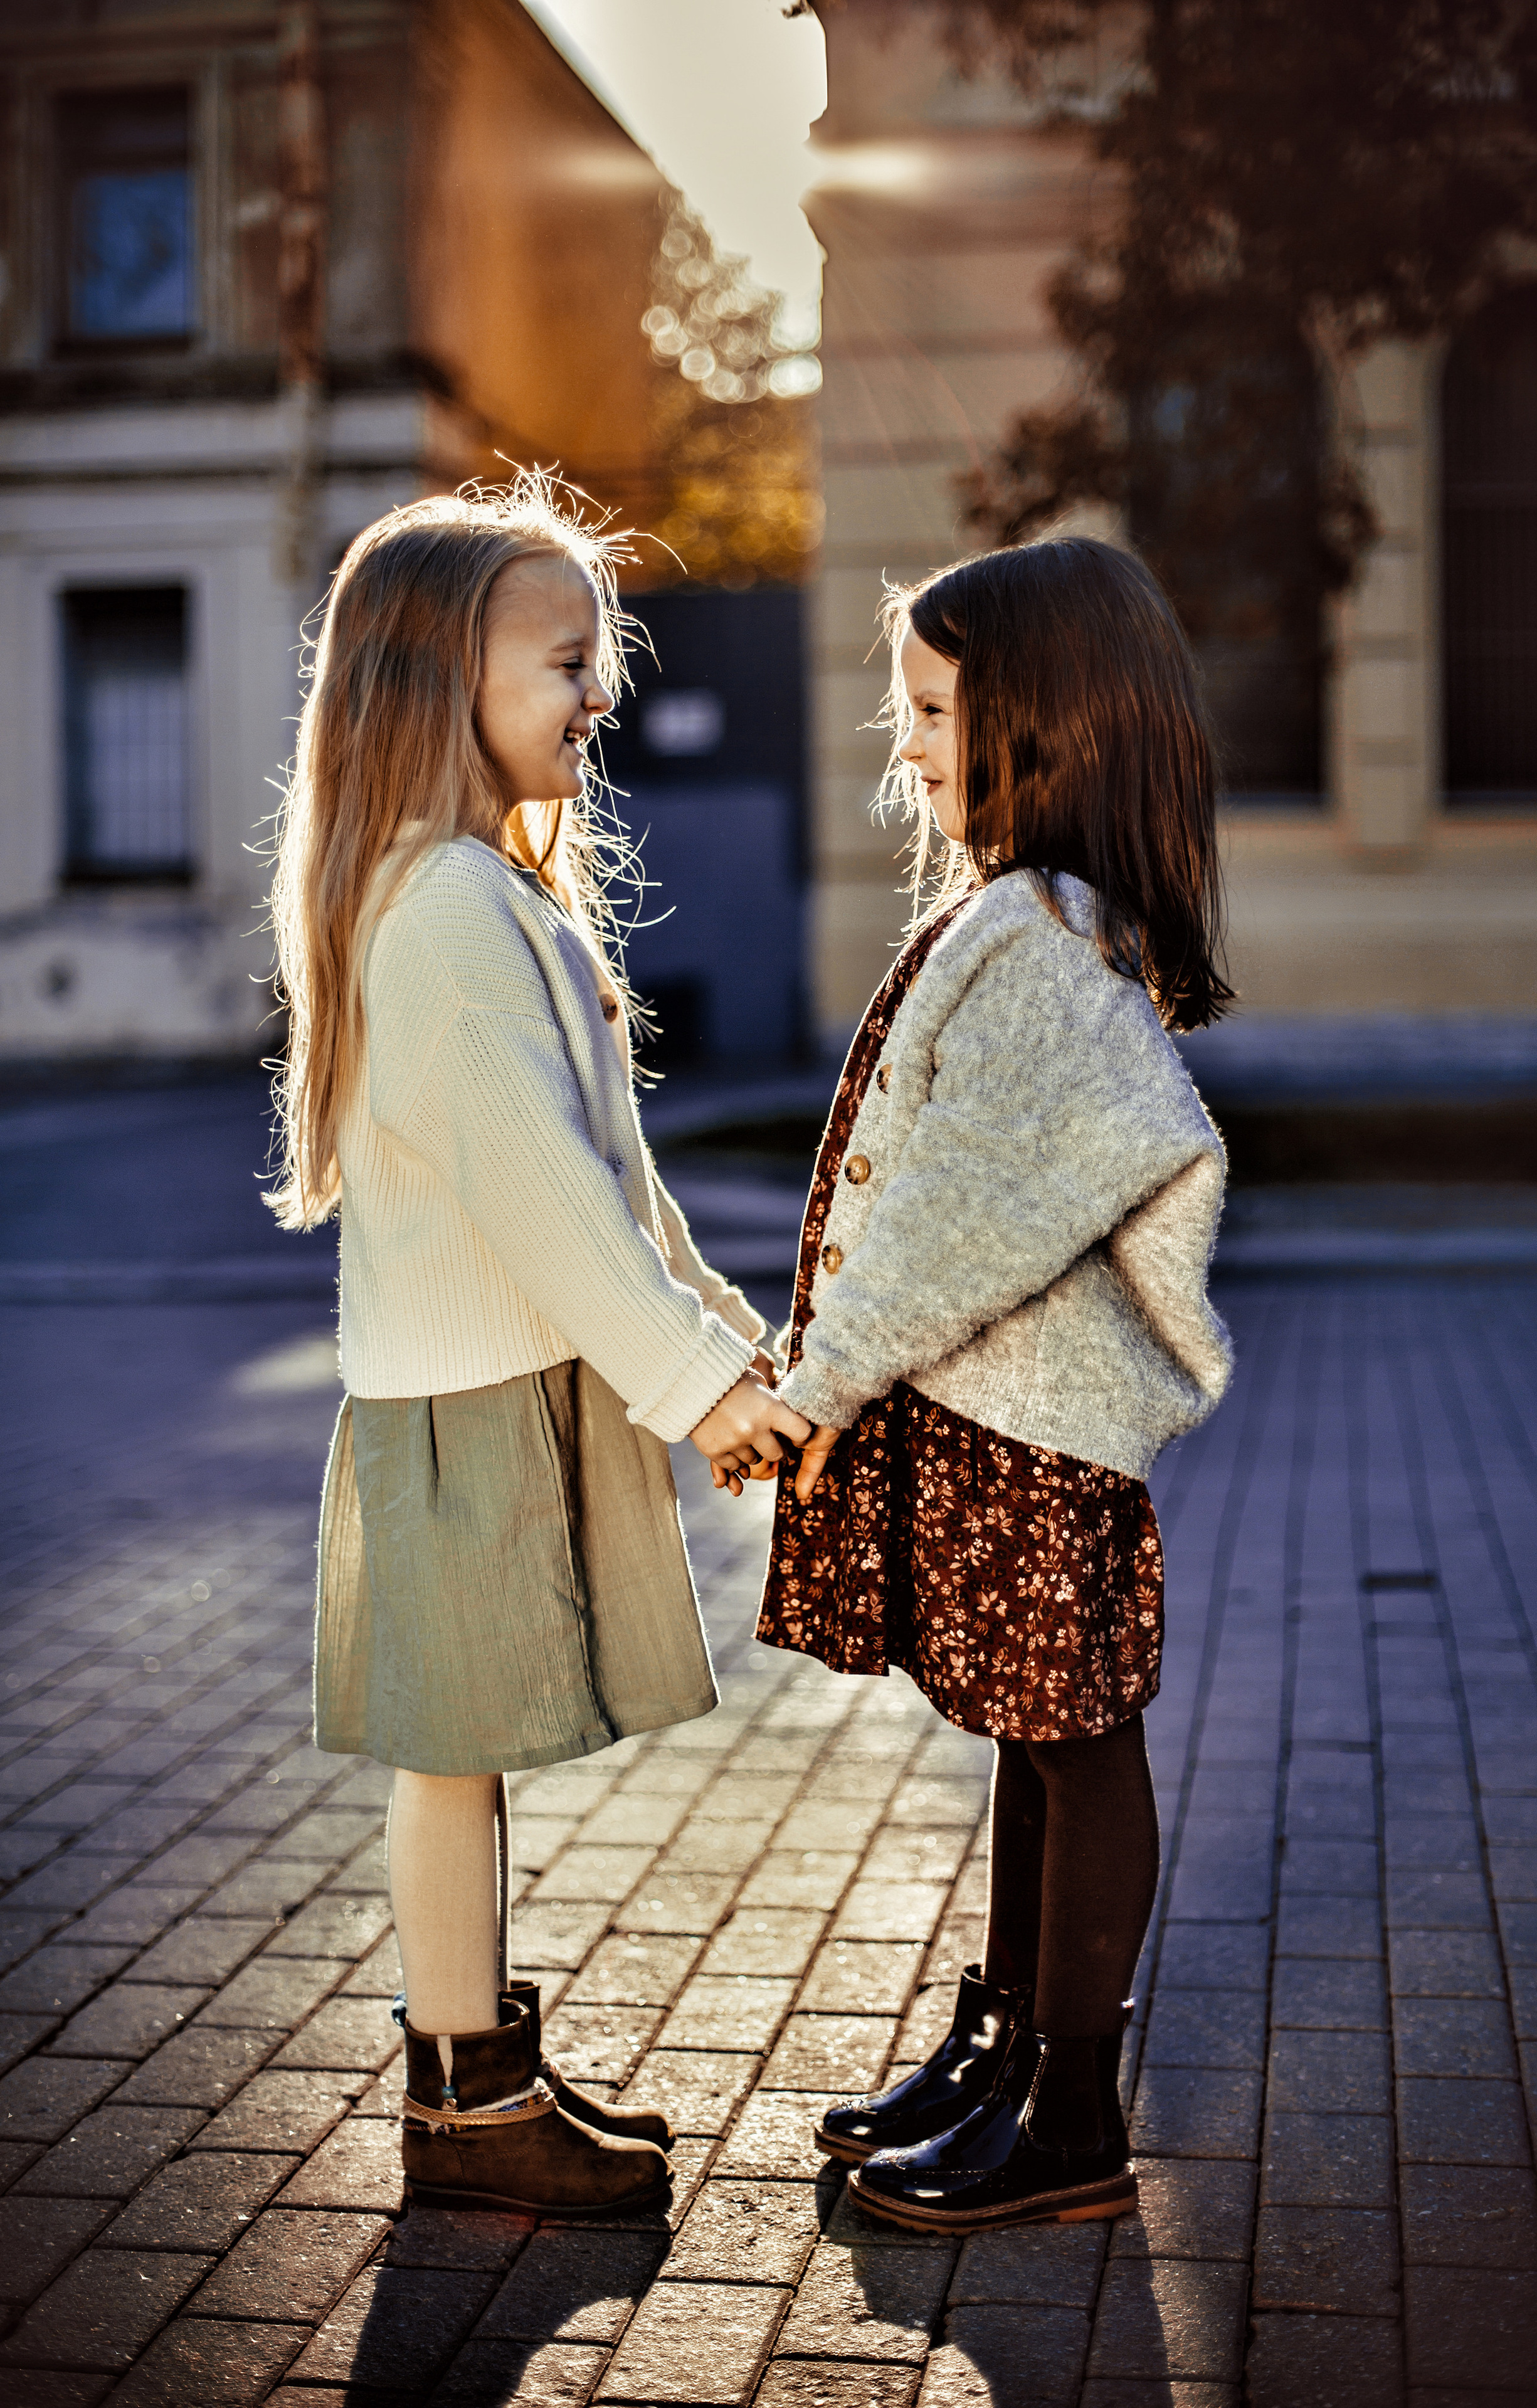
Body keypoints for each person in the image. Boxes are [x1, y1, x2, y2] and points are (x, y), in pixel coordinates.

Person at [267, 475, 809, 2216]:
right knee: (454, 1758)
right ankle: (468, 2110)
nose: (600, 696)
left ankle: (480, 2068)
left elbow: (616, 1187)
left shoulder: (482, 895)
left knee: (472, 1760)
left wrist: (734, 1347)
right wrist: (705, 1396)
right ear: (440, 683)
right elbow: (541, 1205)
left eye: (600, 662)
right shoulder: (435, 917)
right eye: (565, 663)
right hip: (461, 1402)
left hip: (495, 1390)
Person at [756, 537, 1234, 2234]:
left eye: (939, 714)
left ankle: (1075, 2120)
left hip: (1033, 1429)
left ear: (1047, 722)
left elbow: (957, 1216)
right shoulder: (1020, 915)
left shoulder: (1041, 941)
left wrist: (817, 1386)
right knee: (1036, 1745)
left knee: (1074, 1744)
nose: (913, 752)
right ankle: (1010, 2044)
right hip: (1001, 1420)